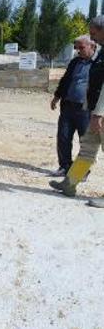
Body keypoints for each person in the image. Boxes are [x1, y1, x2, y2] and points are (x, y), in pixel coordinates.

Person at [50, 16, 104, 206]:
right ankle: (70, 184)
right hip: (92, 109)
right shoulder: (100, 55)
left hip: (100, 113)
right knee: (87, 148)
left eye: (94, 33)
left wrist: (99, 112)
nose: (93, 36)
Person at [49, 35, 97, 176]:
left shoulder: (99, 64)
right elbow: (65, 80)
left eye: (81, 47)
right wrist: (56, 97)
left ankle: (82, 171)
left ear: (92, 46)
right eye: (76, 48)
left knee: (86, 143)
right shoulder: (75, 62)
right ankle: (65, 166)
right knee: (63, 137)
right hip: (68, 106)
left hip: (86, 109)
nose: (78, 51)